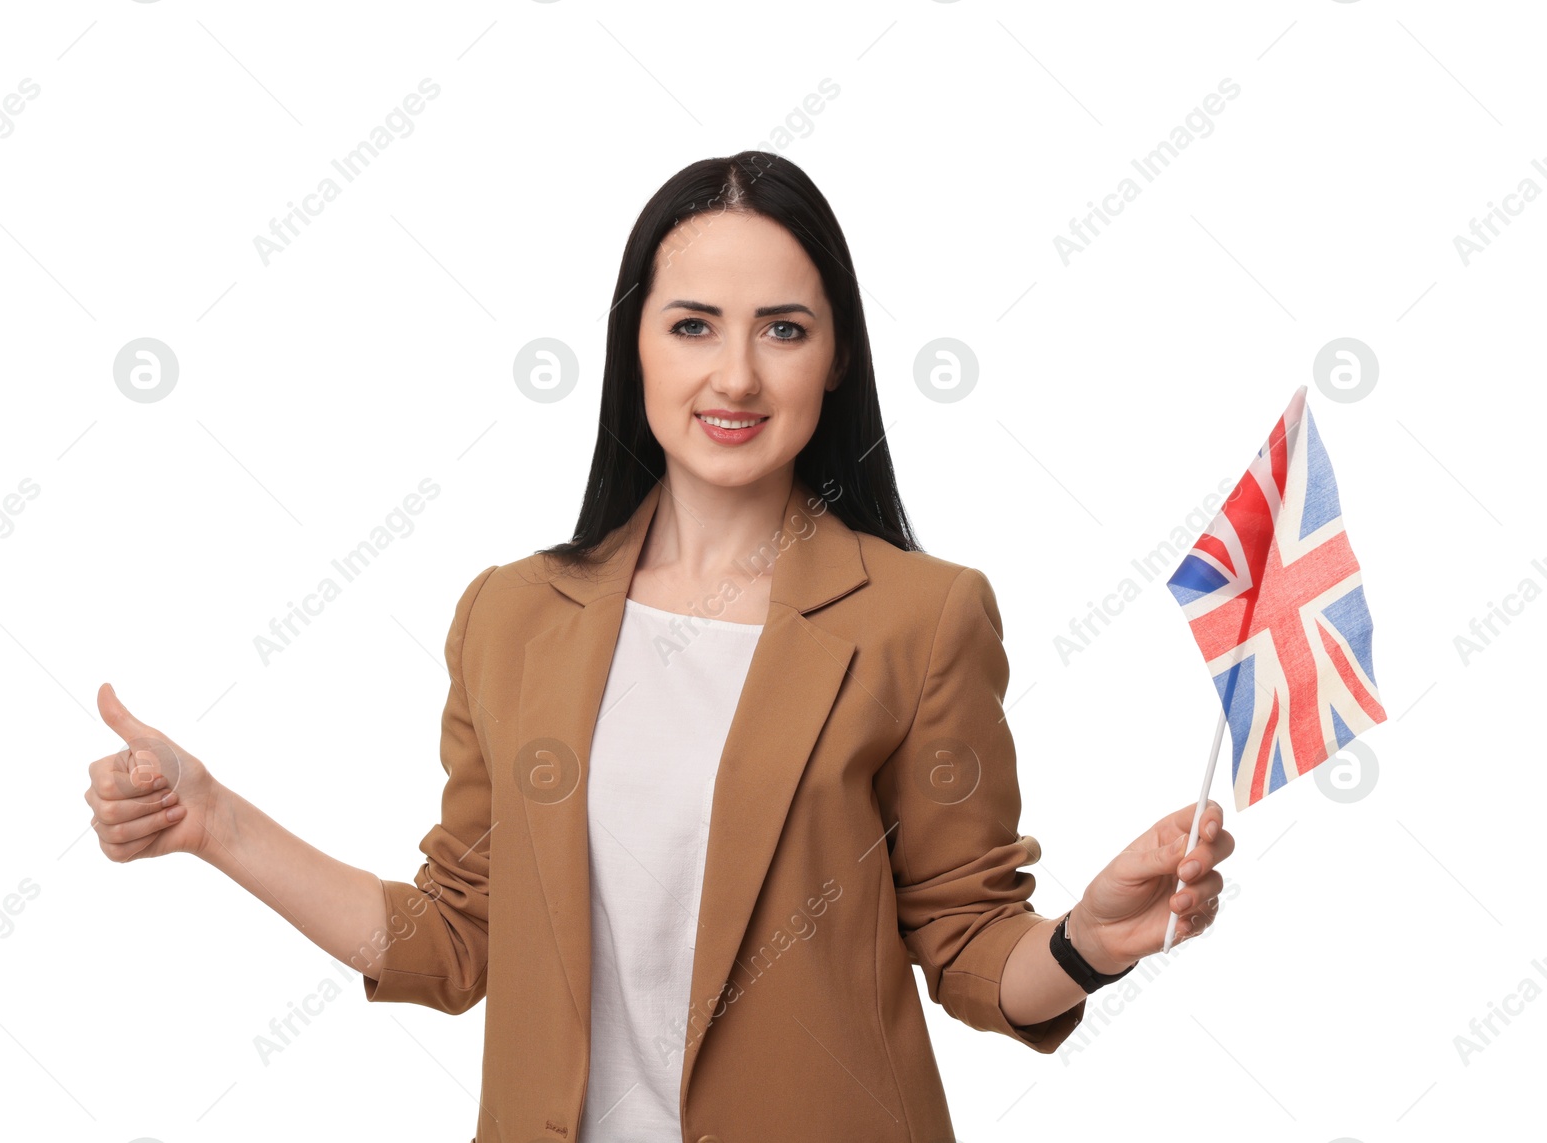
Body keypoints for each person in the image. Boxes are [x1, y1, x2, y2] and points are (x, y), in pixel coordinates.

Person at [83, 150, 1233, 1142]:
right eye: (692, 326)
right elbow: (451, 942)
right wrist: (215, 822)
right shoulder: (510, 615)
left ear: (834, 358)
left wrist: (1086, 940)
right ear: (634, 344)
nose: (735, 375)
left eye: (783, 329)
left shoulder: (921, 619)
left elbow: (974, 951)